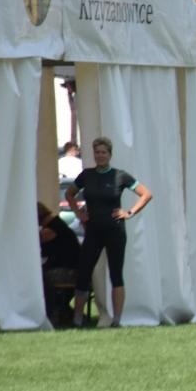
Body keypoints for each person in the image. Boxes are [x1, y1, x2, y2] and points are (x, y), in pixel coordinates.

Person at [65, 136, 153, 328]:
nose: (100, 156)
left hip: (115, 230)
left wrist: (129, 212)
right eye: (97, 152)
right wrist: (79, 213)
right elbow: (69, 193)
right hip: (93, 230)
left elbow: (146, 194)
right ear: (93, 155)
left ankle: (117, 320)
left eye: (104, 152)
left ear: (110, 155)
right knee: (84, 272)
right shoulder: (86, 175)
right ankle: (77, 319)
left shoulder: (120, 176)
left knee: (116, 274)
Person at [38, 201, 82, 327]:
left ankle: (54, 311)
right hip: (72, 267)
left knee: (41, 278)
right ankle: (62, 310)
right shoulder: (57, 225)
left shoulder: (50, 230)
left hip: (68, 269)